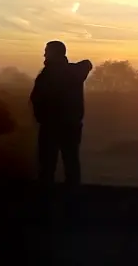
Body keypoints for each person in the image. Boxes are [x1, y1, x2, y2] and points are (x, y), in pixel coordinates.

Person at [30, 41, 93, 188]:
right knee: (71, 162)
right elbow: (87, 64)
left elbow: (36, 99)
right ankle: (71, 198)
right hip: (71, 125)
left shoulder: (47, 75)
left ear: (53, 54)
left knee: (47, 165)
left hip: (50, 126)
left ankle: (46, 199)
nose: (44, 54)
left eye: (47, 51)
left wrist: (40, 117)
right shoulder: (74, 72)